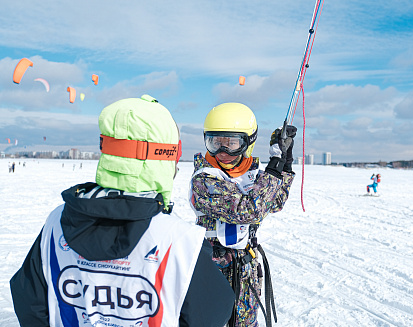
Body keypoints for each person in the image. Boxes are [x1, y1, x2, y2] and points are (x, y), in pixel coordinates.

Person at [10, 95, 235, 327]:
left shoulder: (56, 223)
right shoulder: (180, 240)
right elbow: (212, 312)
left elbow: (29, 303)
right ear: (166, 158)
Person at [188, 103, 296, 327]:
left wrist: (285, 162)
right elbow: (248, 210)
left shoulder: (250, 175)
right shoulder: (204, 179)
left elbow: (274, 202)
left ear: (248, 143)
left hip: (245, 268)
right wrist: (274, 166)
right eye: (215, 143)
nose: (223, 152)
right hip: (213, 268)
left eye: (232, 144)